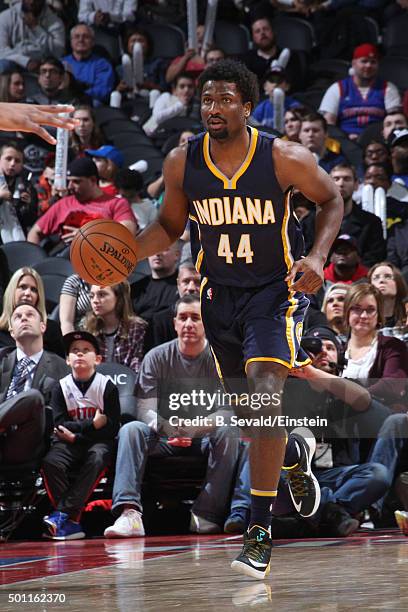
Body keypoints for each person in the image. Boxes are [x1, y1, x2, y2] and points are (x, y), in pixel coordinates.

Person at [132, 59, 343, 579]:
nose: (213, 108)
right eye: (206, 100)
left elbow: (332, 199)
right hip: (218, 296)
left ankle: (259, 531)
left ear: (247, 107)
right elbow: (168, 225)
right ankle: (292, 454)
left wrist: (316, 257)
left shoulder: (283, 157)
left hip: (275, 292)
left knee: (266, 387)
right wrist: (124, 255)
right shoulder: (184, 162)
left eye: (225, 99)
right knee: (254, 421)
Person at [289, 326, 390, 537]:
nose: (323, 352)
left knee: (378, 474)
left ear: (341, 355)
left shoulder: (346, 387)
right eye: (314, 348)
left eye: (330, 347)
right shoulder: (290, 390)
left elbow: (363, 400)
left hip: (340, 477)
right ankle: (332, 516)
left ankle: (318, 515)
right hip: (299, 480)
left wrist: (313, 373)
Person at [42, 330, 120, 540]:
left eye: (86, 350)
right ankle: (72, 522)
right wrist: (92, 424)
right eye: (74, 351)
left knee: (96, 458)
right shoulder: (61, 387)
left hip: (98, 443)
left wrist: (78, 435)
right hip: (70, 442)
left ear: (98, 358)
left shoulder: (107, 387)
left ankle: (63, 515)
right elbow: (59, 425)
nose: (79, 354)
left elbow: (111, 428)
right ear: (67, 359)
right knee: (51, 462)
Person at [0, 302, 68, 465]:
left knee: (33, 398)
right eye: (17, 317)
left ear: (43, 326)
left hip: (28, 444)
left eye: (30, 315)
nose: (24, 318)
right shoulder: (1, 360)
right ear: (11, 331)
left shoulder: (61, 367)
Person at [27, 157, 137, 249]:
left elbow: (127, 233)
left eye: (76, 181)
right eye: (69, 181)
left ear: (93, 180)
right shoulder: (64, 203)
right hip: (66, 263)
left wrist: (90, 236)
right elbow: (35, 232)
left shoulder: (116, 204)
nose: (70, 186)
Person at [341, 283, 408, 409]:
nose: (364, 316)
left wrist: (353, 397)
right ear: (347, 312)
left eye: (370, 309)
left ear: (379, 315)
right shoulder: (338, 349)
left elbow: (392, 386)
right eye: (357, 308)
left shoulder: (393, 346)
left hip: (380, 414)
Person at [319, 43, 401, 140]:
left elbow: (395, 122)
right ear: (354, 63)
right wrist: (344, 138)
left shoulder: (388, 89)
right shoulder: (337, 88)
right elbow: (329, 125)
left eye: (373, 62)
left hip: (379, 143)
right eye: (364, 61)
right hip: (345, 143)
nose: (368, 65)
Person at [330, 163, 386, 267]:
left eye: (347, 179)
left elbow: (375, 258)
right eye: (336, 179)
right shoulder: (313, 220)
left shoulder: (372, 222)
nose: (341, 184)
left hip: (360, 279)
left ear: (356, 185)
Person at [0, 267, 64, 357]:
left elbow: (60, 367)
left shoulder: (51, 330)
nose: (28, 293)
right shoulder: (1, 331)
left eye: (34, 290)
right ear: (12, 291)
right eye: (23, 287)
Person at [84, 282, 147, 373]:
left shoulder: (136, 328)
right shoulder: (88, 329)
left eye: (102, 295)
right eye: (91, 296)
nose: (95, 300)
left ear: (118, 298)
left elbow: (136, 368)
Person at [0, 0, 65, 74]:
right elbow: (1, 50)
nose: (32, 2)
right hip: (14, 66)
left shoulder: (55, 22)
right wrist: (26, 61)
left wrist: (36, 28)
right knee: (3, 65)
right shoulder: (6, 17)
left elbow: (58, 52)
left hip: (41, 67)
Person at [62, 23, 115, 106]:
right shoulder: (62, 63)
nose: (81, 40)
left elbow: (103, 90)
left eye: (85, 37)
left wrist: (80, 94)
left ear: (93, 42)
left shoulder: (103, 64)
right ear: (71, 41)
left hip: (89, 103)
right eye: (77, 36)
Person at [0, 141, 38, 243]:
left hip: (18, 241)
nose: (12, 164)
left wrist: (29, 205)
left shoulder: (27, 187)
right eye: (8, 159)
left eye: (17, 161)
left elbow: (31, 221)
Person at [368, 262, 408, 332]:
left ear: (398, 283)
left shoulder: (407, 313)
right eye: (376, 278)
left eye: (388, 276)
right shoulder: (364, 317)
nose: (381, 280)